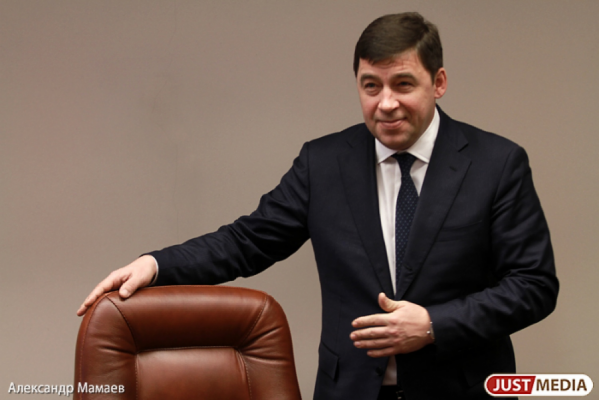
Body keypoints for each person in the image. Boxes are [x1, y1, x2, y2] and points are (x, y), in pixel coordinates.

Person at [77, 12, 558, 400]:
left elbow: (534, 285)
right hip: (350, 391)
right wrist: (155, 264)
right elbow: (246, 241)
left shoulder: (497, 164)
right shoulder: (323, 163)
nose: (386, 103)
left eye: (403, 84)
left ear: (439, 82)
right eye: (371, 86)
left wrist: (433, 325)